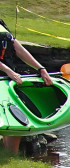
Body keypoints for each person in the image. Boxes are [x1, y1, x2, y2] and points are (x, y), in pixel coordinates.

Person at [0, 17, 53, 153]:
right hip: (6, 75)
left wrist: (41, 69)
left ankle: (11, 156)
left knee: (13, 120)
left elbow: (17, 47)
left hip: (7, 81)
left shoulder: (1, 24)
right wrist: (8, 71)